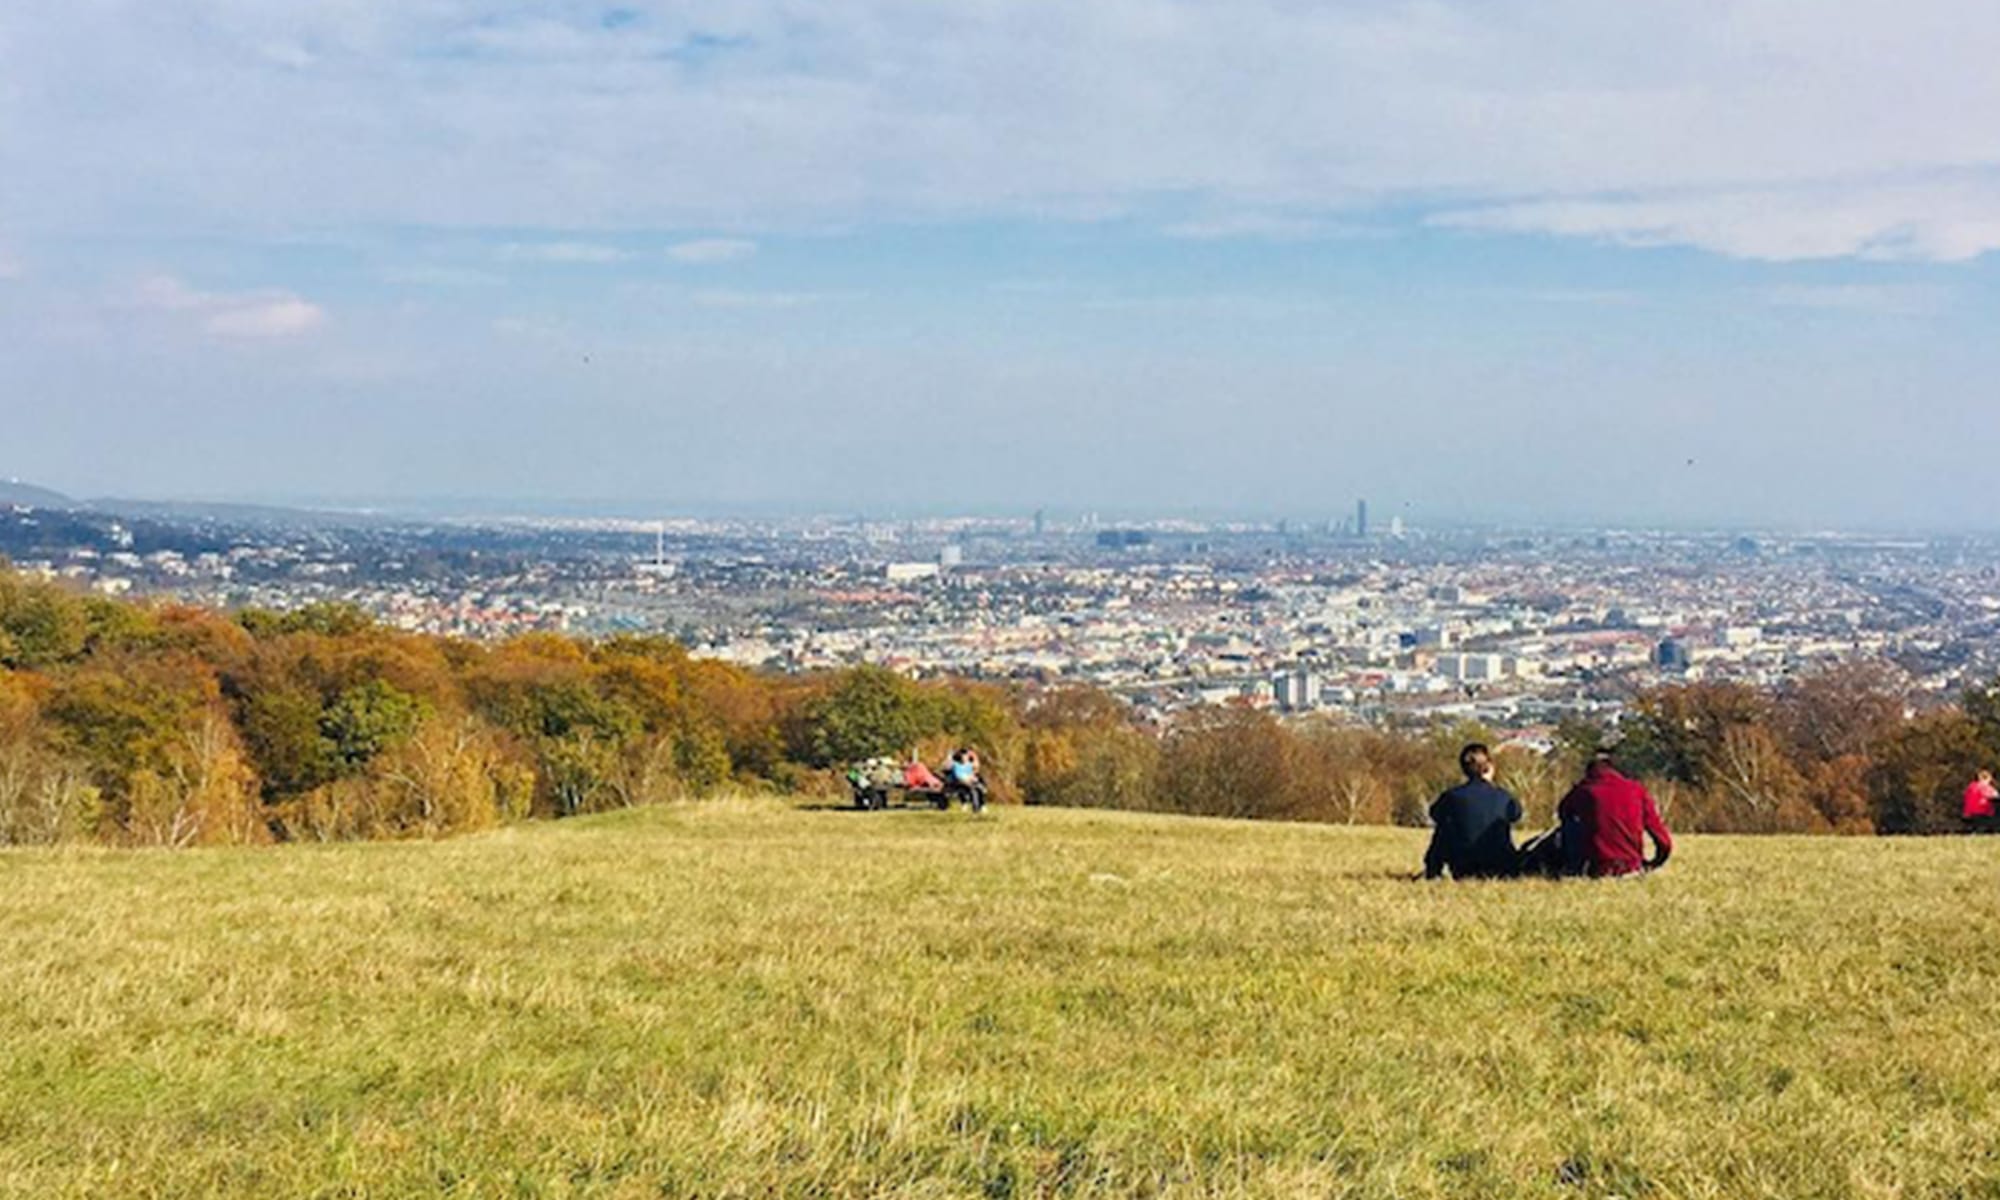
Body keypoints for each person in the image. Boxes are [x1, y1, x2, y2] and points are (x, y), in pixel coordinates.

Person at [1557, 749, 1673, 877]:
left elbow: (1563, 813)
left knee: (1570, 825)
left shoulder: (1582, 791)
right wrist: (1654, 863)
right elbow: (1662, 838)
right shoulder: (1636, 790)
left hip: (1594, 868)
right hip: (1631, 867)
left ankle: (1571, 867)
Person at [1423, 743, 1523, 880]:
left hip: (1462, 867)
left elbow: (1435, 814)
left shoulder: (1451, 796)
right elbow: (1516, 815)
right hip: (1501, 867)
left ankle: (1434, 871)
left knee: (1444, 827)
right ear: (1488, 767)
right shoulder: (1505, 797)